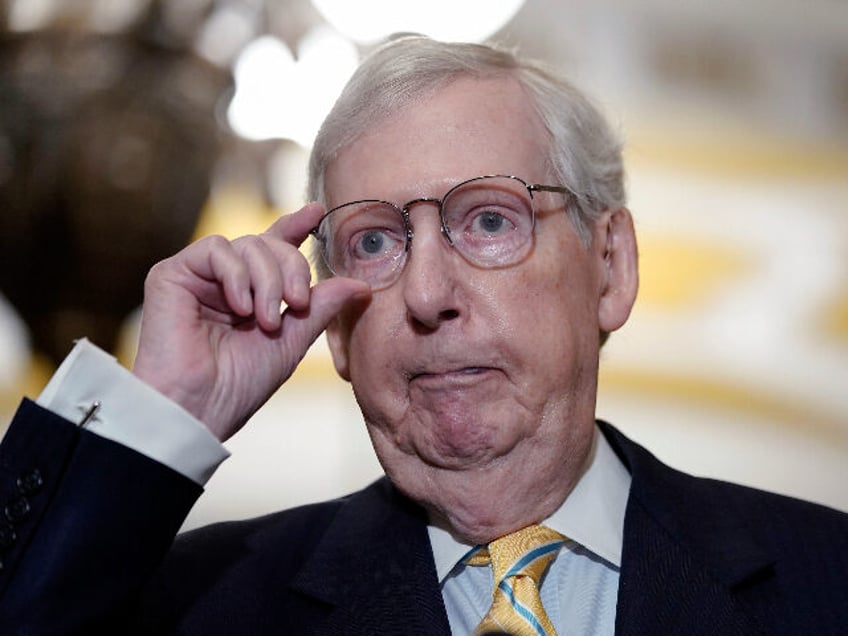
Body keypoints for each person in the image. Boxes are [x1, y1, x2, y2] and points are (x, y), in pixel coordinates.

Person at [0, 36, 846, 636]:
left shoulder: (826, 580)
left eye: (487, 220)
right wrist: (166, 410)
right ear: (331, 327)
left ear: (612, 266)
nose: (428, 294)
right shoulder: (192, 602)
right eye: (372, 242)